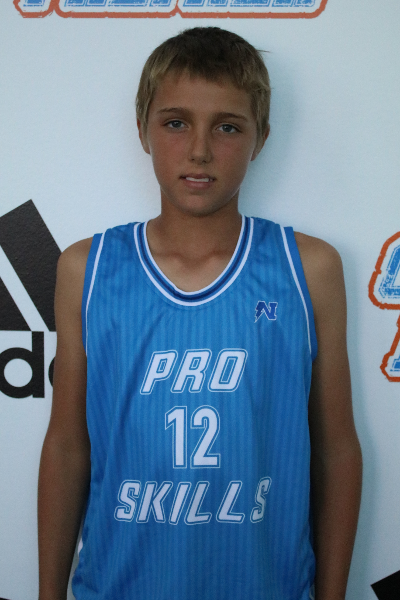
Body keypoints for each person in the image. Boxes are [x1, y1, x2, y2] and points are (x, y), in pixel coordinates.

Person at [38, 27, 362, 600]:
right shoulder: (87, 268)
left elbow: (334, 448)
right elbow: (67, 446)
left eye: (228, 127)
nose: (200, 150)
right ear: (142, 128)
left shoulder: (307, 268)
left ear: (261, 137)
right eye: (176, 122)